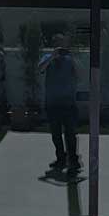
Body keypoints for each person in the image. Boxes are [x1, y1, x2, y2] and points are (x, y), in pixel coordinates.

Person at [39, 34, 80, 171]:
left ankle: (73, 159)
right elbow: (41, 69)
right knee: (56, 134)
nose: (61, 46)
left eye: (62, 43)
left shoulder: (70, 59)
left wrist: (72, 57)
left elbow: (79, 73)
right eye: (58, 43)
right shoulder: (47, 58)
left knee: (70, 133)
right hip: (52, 102)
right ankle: (60, 159)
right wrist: (52, 56)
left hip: (68, 102)